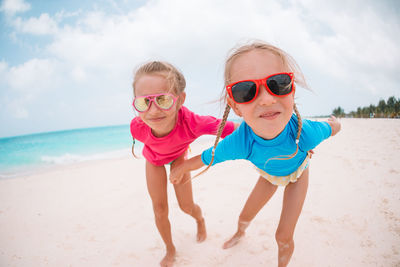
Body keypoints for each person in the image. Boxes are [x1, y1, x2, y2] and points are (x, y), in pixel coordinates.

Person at [169, 41, 341, 267]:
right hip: (268, 176)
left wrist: (334, 122)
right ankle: (239, 234)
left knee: (283, 236)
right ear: (236, 106)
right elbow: (209, 156)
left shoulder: (304, 132)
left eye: (278, 84)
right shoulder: (241, 141)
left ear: (292, 89)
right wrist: (181, 167)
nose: (267, 99)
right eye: (246, 91)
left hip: (298, 175)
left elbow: (333, 128)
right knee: (244, 216)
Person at [130, 61, 237, 267]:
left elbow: (237, 130)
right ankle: (170, 249)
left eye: (163, 99)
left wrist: (280, 133)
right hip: (154, 160)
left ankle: (200, 220)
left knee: (186, 206)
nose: (153, 110)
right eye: (144, 102)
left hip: (179, 156)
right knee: (160, 209)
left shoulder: (193, 122)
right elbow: (153, 144)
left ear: (180, 100)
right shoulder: (137, 127)